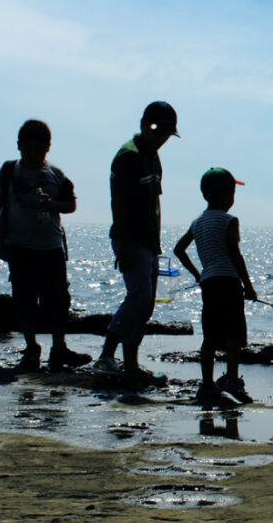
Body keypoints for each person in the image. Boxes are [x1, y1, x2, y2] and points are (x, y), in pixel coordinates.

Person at [0, 120, 91, 372]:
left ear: (48, 148)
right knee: (24, 298)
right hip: (19, 246)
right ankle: (31, 348)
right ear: (19, 147)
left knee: (57, 299)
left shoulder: (56, 175)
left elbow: (70, 205)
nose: (34, 155)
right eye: (28, 149)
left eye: (39, 150)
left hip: (51, 247)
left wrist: (52, 205)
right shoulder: (8, 171)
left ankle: (59, 348)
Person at [93, 101, 178, 385]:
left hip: (148, 241)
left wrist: (156, 243)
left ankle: (131, 363)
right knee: (138, 298)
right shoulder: (128, 156)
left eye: (167, 134)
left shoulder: (153, 157)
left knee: (146, 305)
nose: (163, 139)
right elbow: (118, 203)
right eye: (159, 132)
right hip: (131, 239)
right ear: (145, 125)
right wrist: (126, 245)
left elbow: (154, 201)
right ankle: (106, 356)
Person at [173, 168, 257, 404]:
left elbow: (179, 250)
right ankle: (231, 379)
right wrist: (248, 286)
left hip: (209, 284)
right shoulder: (229, 220)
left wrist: (198, 274)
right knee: (234, 335)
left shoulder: (197, 223)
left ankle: (208, 384)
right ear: (228, 195)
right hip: (229, 281)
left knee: (210, 336)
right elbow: (235, 254)